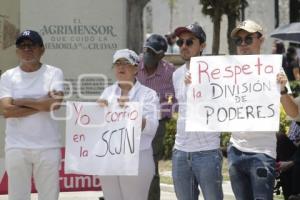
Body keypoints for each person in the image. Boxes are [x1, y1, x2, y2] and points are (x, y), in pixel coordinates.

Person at [227, 20, 299, 200]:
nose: (243, 44)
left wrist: (282, 89)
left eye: (248, 39)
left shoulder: (273, 70)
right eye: (239, 40)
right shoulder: (227, 71)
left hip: (262, 153)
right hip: (235, 150)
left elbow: (294, 113)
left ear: (261, 40)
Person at [0, 30, 64, 200]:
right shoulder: (8, 76)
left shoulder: (54, 73)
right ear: (17, 51)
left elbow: (55, 104)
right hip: (16, 146)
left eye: (32, 46)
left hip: (48, 146)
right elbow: (6, 111)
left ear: (42, 49)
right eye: (22, 46)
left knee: (49, 196)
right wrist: (42, 104)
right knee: (17, 196)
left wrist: (20, 101)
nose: (27, 50)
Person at [97, 49, 159, 200]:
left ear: (136, 68)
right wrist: (97, 112)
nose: (121, 67)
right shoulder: (107, 93)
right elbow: (98, 127)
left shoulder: (148, 94)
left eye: (126, 63)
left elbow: (151, 127)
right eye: (117, 64)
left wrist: (130, 109)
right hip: (109, 158)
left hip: (138, 158)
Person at [171, 23, 223, 200]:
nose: (184, 46)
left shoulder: (216, 72)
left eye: (189, 42)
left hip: (207, 151)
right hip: (180, 151)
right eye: (180, 42)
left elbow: (222, 104)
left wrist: (199, 85)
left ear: (202, 46)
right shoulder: (176, 74)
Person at [136, 34, 176, 200]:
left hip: (156, 125)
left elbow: (171, 101)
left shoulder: (169, 72)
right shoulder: (134, 64)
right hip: (131, 123)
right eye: (146, 50)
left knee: (150, 168)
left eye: (152, 52)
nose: (147, 55)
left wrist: (155, 112)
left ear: (161, 55)